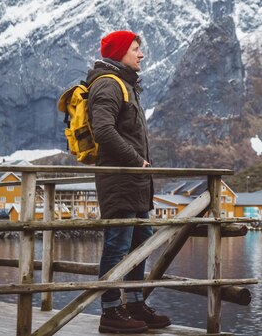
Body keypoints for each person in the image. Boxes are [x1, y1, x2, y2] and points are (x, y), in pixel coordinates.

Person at [87, 30, 170, 333]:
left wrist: (139, 168)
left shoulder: (127, 85)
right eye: (136, 49)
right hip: (119, 181)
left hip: (135, 183)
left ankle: (134, 303)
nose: (141, 54)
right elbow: (103, 131)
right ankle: (111, 311)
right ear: (121, 52)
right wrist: (136, 162)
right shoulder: (108, 85)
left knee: (140, 242)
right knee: (117, 244)